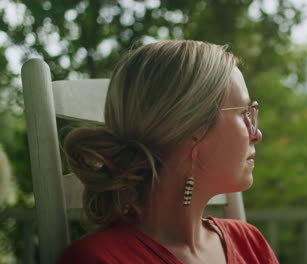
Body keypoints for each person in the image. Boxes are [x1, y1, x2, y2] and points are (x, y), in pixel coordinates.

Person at [58, 40, 278, 263]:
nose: (256, 133)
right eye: (243, 113)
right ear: (194, 129)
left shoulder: (250, 243)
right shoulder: (96, 259)